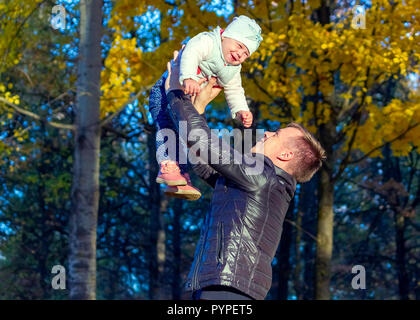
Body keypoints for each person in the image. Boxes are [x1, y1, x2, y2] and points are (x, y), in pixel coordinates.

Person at [163, 50, 327, 300]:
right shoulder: (265, 185)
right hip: (225, 289)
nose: (266, 134)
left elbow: (202, 142)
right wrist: (199, 108)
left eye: (276, 135)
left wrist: (176, 93)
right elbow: (205, 164)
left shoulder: (263, 175)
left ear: (285, 156)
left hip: (228, 292)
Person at [149, 15, 262, 201]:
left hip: (185, 98)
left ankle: (179, 176)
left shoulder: (232, 69)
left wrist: (241, 110)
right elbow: (190, 53)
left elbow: (234, 89)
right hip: (164, 92)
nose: (240, 54)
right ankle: (169, 165)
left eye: (246, 54)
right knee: (167, 128)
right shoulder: (208, 41)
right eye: (240, 46)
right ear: (225, 36)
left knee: (185, 134)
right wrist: (189, 77)